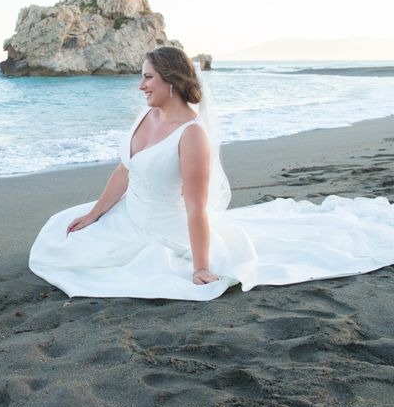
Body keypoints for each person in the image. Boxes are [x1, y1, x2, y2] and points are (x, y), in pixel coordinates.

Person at [29, 46, 394, 301]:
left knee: (90, 264)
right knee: (59, 235)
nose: (141, 86)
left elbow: (196, 207)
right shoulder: (145, 114)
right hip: (129, 214)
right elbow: (126, 169)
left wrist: (201, 266)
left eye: (147, 78)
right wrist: (96, 212)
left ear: (170, 80)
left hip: (166, 229)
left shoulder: (191, 135)